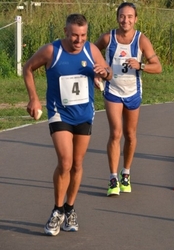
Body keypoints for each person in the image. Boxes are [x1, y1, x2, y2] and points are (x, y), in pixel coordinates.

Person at [23, 13, 112, 236]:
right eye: (74, 35)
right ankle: (57, 210)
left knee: (78, 164)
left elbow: (108, 71)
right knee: (65, 162)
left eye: (83, 35)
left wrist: (105, 72)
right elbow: (28, 68)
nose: (78, 40)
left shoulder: (91, 50)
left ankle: (70, 208)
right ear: (65, 32)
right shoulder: (52, 51)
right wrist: (33, 97)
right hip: (59, 113)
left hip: (84, 113)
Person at [95, 2, 162, 196]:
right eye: (122, 16)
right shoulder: (108, 38)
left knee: (130, 134)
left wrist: (140, 65)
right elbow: (92, 51)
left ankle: (126, 173)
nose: (126, 20)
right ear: (117, 17)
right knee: (116, 133)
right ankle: (113, 178)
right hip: (113, 91)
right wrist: (97, 72)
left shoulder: (141, 40)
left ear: (136, 19)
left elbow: (157, 67)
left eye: (130, 17)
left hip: (133, 92)